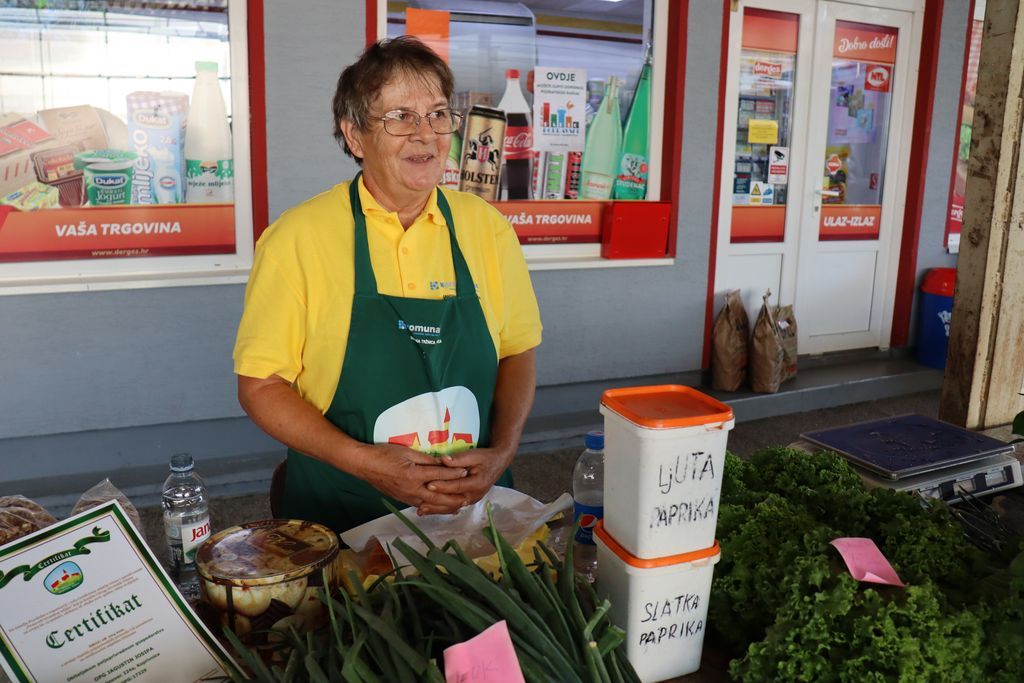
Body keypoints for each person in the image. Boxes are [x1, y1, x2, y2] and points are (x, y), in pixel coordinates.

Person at [233, 36, 542, 534]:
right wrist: (364, 462)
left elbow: (517, 351)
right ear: (355, 137)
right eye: (400, 116)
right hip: (344, 514)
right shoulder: (298, 238)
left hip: (470, 514)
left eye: (438, 114)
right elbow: (261, 386)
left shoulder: (487, 229)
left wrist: (503, 451)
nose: (425, 135)